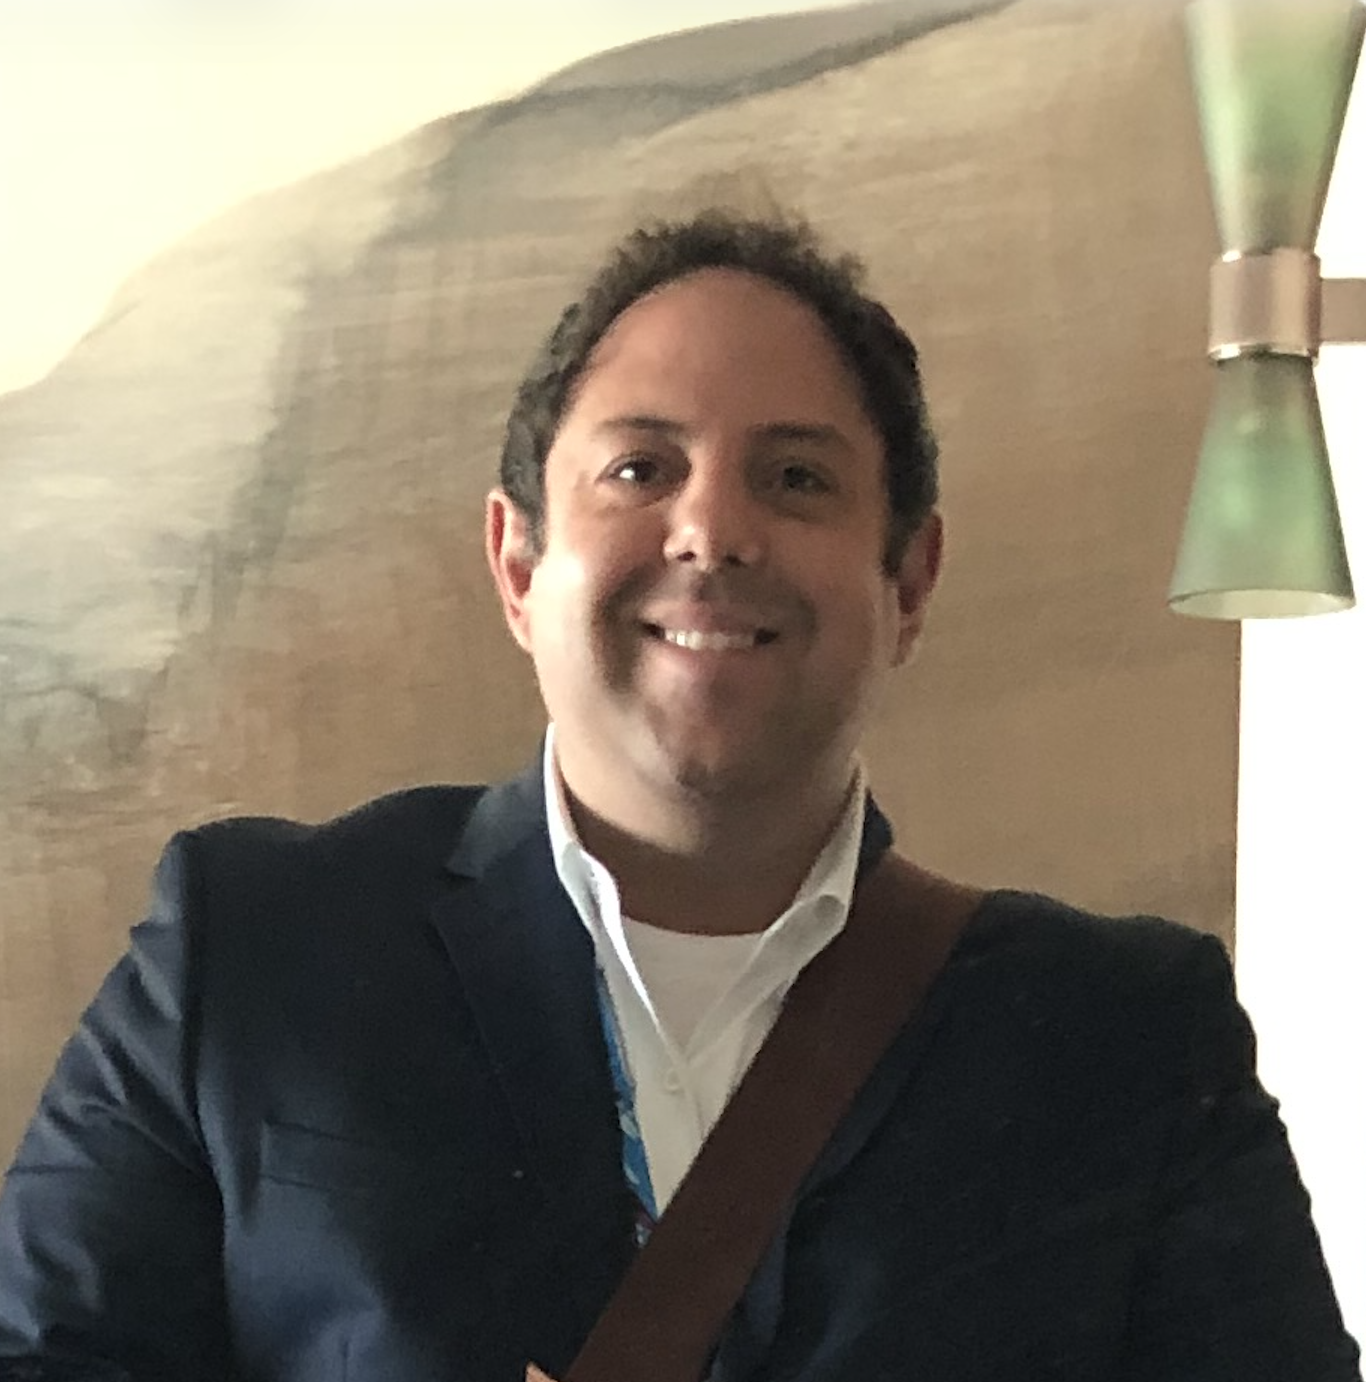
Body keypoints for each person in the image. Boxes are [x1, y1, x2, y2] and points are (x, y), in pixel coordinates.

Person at [0, 211, 1358, 1382]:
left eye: (796, 477)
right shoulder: (250, 951)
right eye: (639, 469)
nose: (711, 531)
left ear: (909, 581)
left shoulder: (1128, 1042)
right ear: (517, 564)